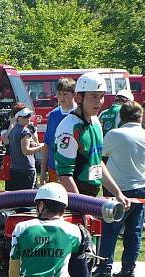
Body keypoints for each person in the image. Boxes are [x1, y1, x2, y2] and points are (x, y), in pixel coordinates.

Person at [93, 102, 145, 277]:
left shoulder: (114, 134)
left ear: (121, 117)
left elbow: (99, 156)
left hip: (120, 189)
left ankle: (104, 269)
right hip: (142, 186)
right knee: (134, 231)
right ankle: (128, 268)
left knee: (110, 230)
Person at [54, 71, 129, 209]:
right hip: (74, 197)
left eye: (101, 96)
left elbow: (97, 162)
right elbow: (64, 176)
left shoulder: (95, 122)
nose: (98, 101)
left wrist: (118, 193)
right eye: (93, 96)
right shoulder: (69, 128)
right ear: (78, 98)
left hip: (91, 195)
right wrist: (81, 208)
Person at [40, 78, 77, 184]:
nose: (61, 97)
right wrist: (43, 171)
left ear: (74, 94)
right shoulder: (53, 114)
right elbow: (47, 144)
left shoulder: (79, 114)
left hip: (73, 170)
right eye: (59, 94)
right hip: (54, 169)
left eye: (65, 94)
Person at [5, 107, 43, 191]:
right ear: (18, 118)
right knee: (27, 198)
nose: (28, 118)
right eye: (25, 116)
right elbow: (26, 151)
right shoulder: (25, 131)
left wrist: (33, 143)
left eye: (29, 115)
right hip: (26, 169)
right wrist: (41, 147)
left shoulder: (13, 130)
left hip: (14, 169)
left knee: (14, 199)